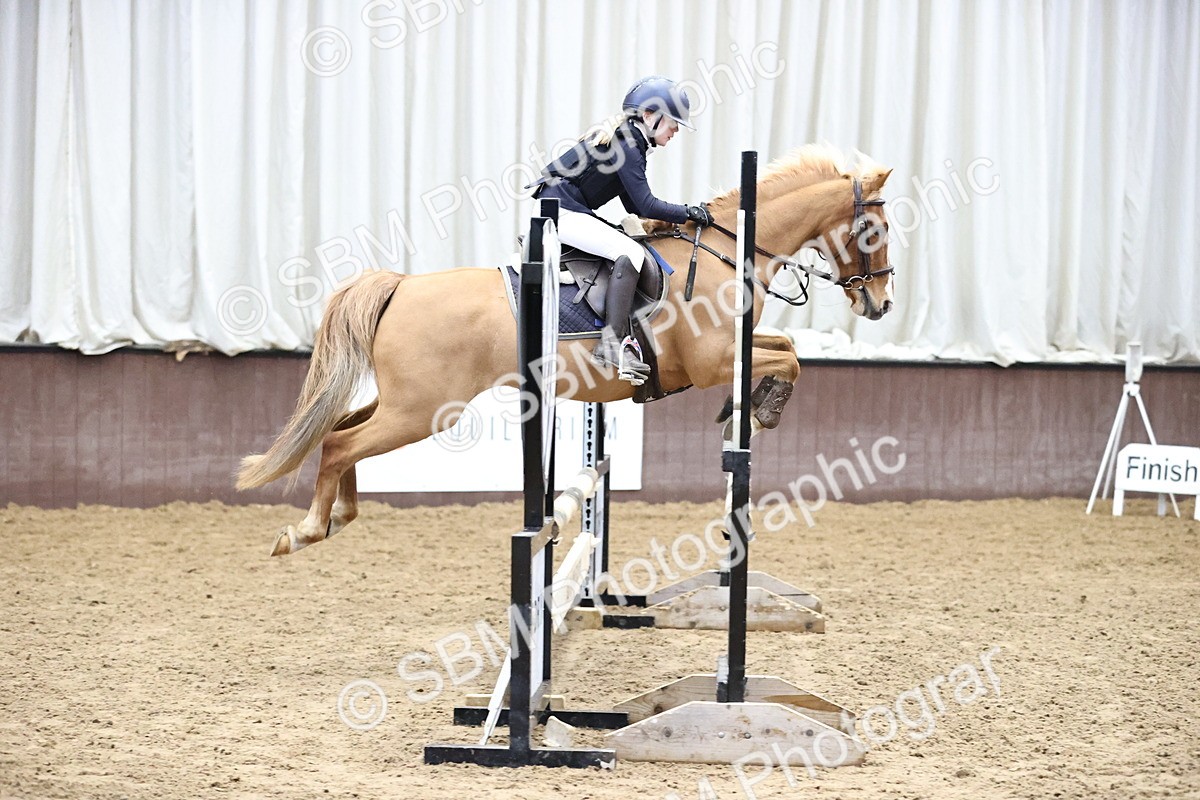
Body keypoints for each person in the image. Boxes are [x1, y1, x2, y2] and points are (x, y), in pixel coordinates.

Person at [531, 75, 714, 384]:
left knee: (628, 241)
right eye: (673, 122)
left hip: (564, 209)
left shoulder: (631, 140)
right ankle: (611, 343)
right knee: (628, 252)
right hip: (558, 212)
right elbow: (646, 204)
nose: (676, 130)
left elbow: (632, 204)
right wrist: (688, 212)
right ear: (649, 116)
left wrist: (674, 217)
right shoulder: (628, 143)